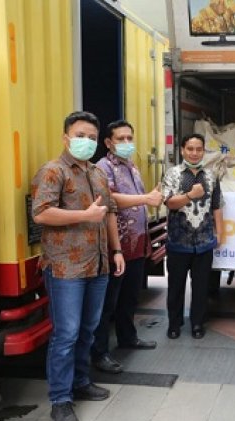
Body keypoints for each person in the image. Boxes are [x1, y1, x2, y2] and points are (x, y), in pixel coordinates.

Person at [31, 111, 125, 421]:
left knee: (89, 328)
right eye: (80, 135)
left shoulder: (98, 173)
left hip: (97, 264)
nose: (86, 142)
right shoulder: (53, 171)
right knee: (66, 334)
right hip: (65, 267)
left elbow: (109, 213)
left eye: (91, 137)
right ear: (66, 137)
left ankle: (82, 381)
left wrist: (116, 251)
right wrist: (83, 215)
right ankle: (60, 399)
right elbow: (41, 214)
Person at [91, 120, 164, 374]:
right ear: (109, 143)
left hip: (135, 244)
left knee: (129, 297)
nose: (126, 143)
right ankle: (99, 353)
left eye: (129, 138)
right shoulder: (103, 167)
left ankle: (127, 337)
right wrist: (146, 198)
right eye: (120, 139)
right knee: (107, 302)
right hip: (116, 246)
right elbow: (109, 199)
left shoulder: (132, 167)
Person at [161, 133, 224, 340]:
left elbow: (216, 206)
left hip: (204, 242)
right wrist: (189, 195)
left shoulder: (211, 175)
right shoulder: (173, 174)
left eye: (199, 149)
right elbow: (169, 203)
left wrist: (219, 233)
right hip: (179, 241)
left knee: (201, 287)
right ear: (182, 150)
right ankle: (174, 324)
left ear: (203, 151)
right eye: (190, 149)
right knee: (176, 287)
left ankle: (197, 323)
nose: (194, 153)